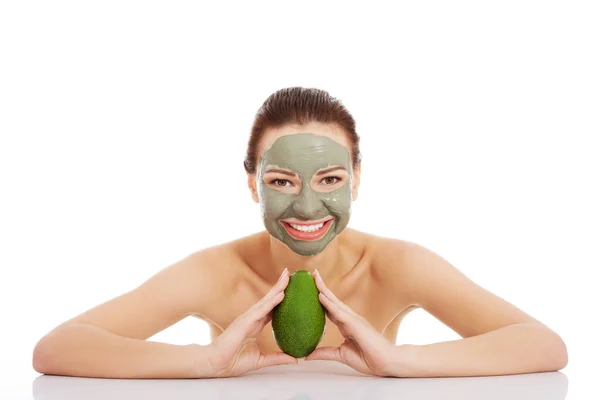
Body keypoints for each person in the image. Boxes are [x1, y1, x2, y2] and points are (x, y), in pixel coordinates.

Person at [32, 87, 568, 379]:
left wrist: (399, 360)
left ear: (357, 180)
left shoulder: (396, 265)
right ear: (252, 185)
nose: (308, 205)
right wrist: (203, 361)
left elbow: (543, 345)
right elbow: (57, 350)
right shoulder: (216, 272)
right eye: (282, 181)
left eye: (331, 179)